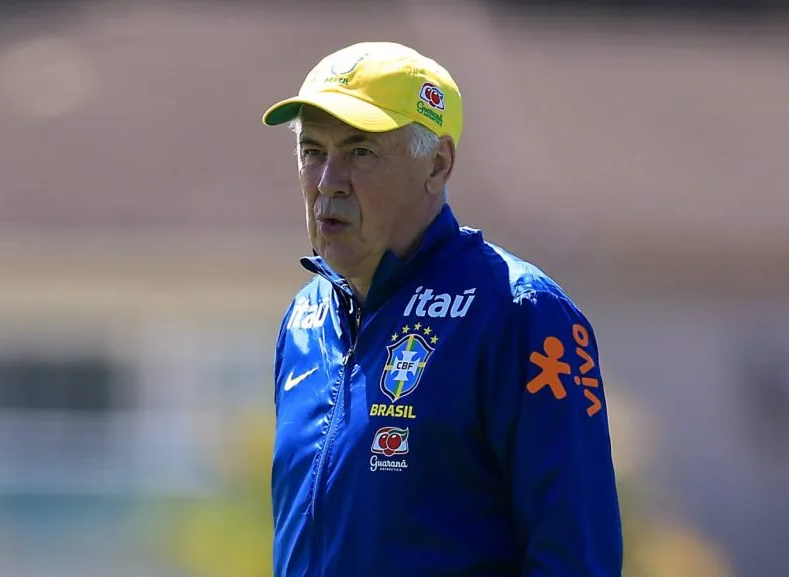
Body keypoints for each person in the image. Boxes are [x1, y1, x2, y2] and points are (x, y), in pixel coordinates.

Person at [262, 41, 623, 577]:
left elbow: (576, 557)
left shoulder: (519, 313)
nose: (328, 181)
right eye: (313, 151)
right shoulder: (303, 319)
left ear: (437, 164)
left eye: (360, 152)